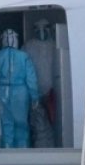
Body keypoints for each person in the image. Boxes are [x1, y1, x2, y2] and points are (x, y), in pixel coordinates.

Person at [0, 28, 40, 149]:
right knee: (21, 124)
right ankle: (23, 151)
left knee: (5, 124)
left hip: (2, 92)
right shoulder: (24, 56)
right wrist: (35, 97)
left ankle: (7, 151)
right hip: (21, 93)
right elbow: (31, 79)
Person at [23, 19, 58, 147]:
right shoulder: (29, 46)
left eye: (44, 28)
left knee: (53, 122)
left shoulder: (54, 45)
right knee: (38, 125)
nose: (42, 31)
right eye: (39, 28)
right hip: (34, 93)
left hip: (52, 92)